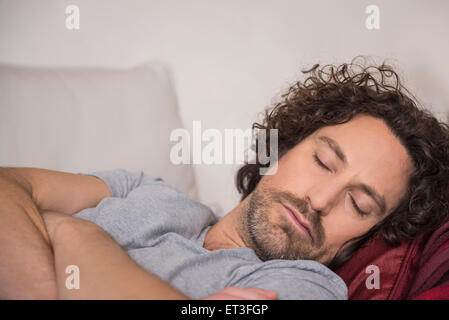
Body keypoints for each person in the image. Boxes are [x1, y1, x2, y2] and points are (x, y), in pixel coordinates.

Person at [1, 59, 448, 300]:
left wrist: (67, 229)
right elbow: (8, 187)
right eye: (325, 162)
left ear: (366, 238)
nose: (321, 198)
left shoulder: (308, 289)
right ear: (284, 147)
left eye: (359, 205)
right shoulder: (144, 189)